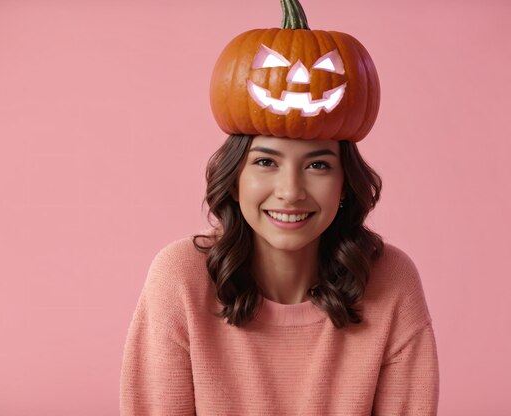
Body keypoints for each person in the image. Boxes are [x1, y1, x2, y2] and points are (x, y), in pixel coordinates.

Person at [120, 1, 438, 414]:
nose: (290, 191)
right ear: (234, 180)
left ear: (345, 184)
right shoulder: (180, 280)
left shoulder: (391, 282)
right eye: (266, 162)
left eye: (319, 165)